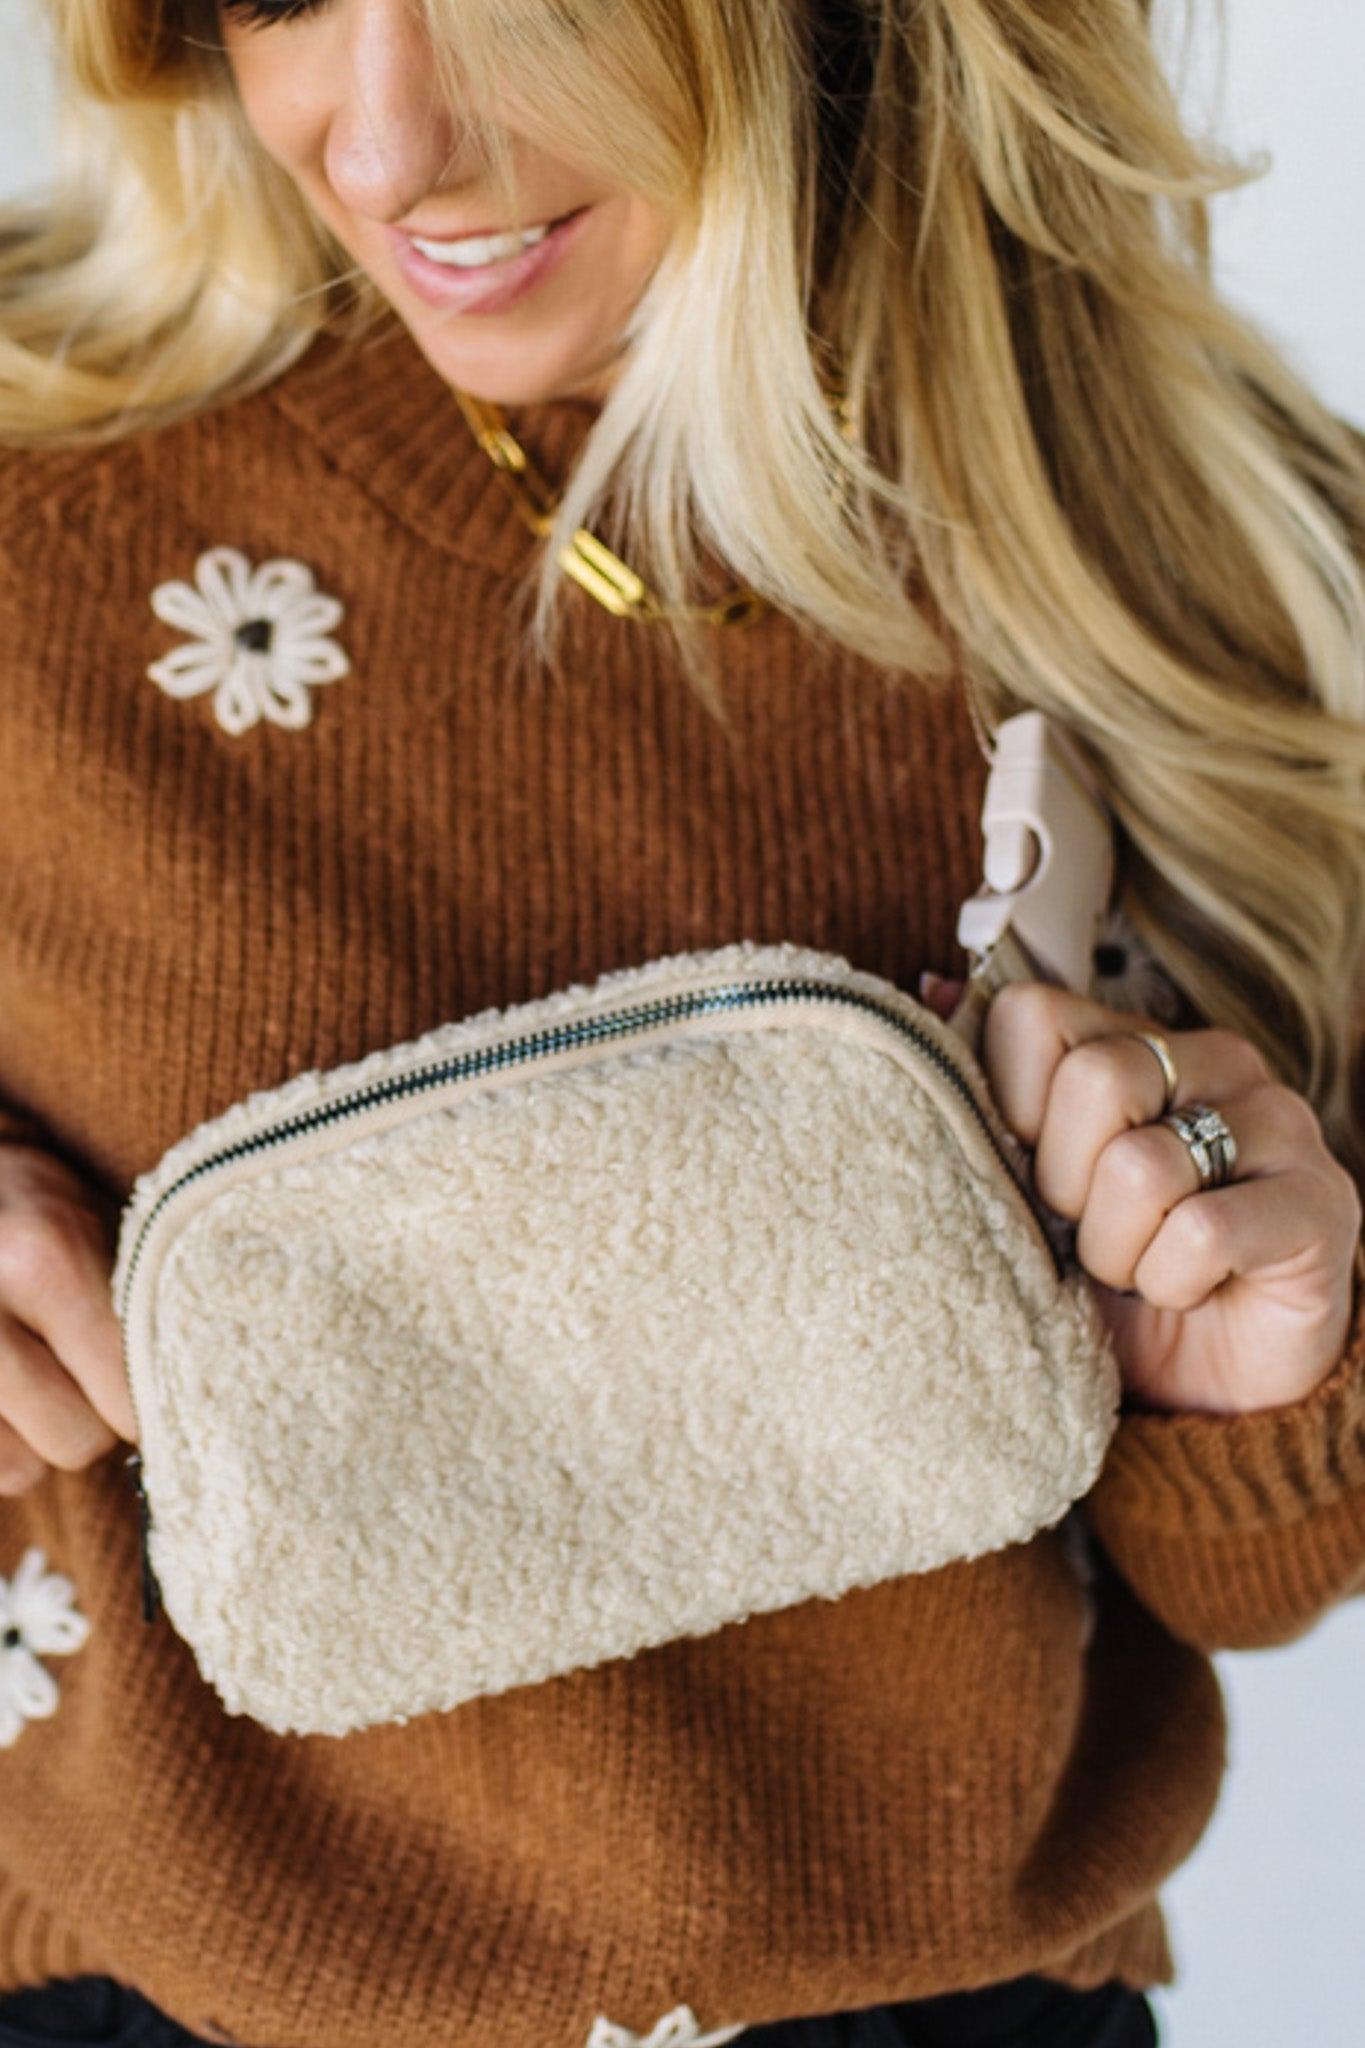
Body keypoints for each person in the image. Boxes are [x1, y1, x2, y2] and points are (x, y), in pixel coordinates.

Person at [0, 0, 1362, 2043]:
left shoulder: (1201, 570)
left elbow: (1240, 1583)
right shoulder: (42, 512)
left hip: (955, 2006)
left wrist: (1246, 1359)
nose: (385, 151)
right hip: (144, 1997)